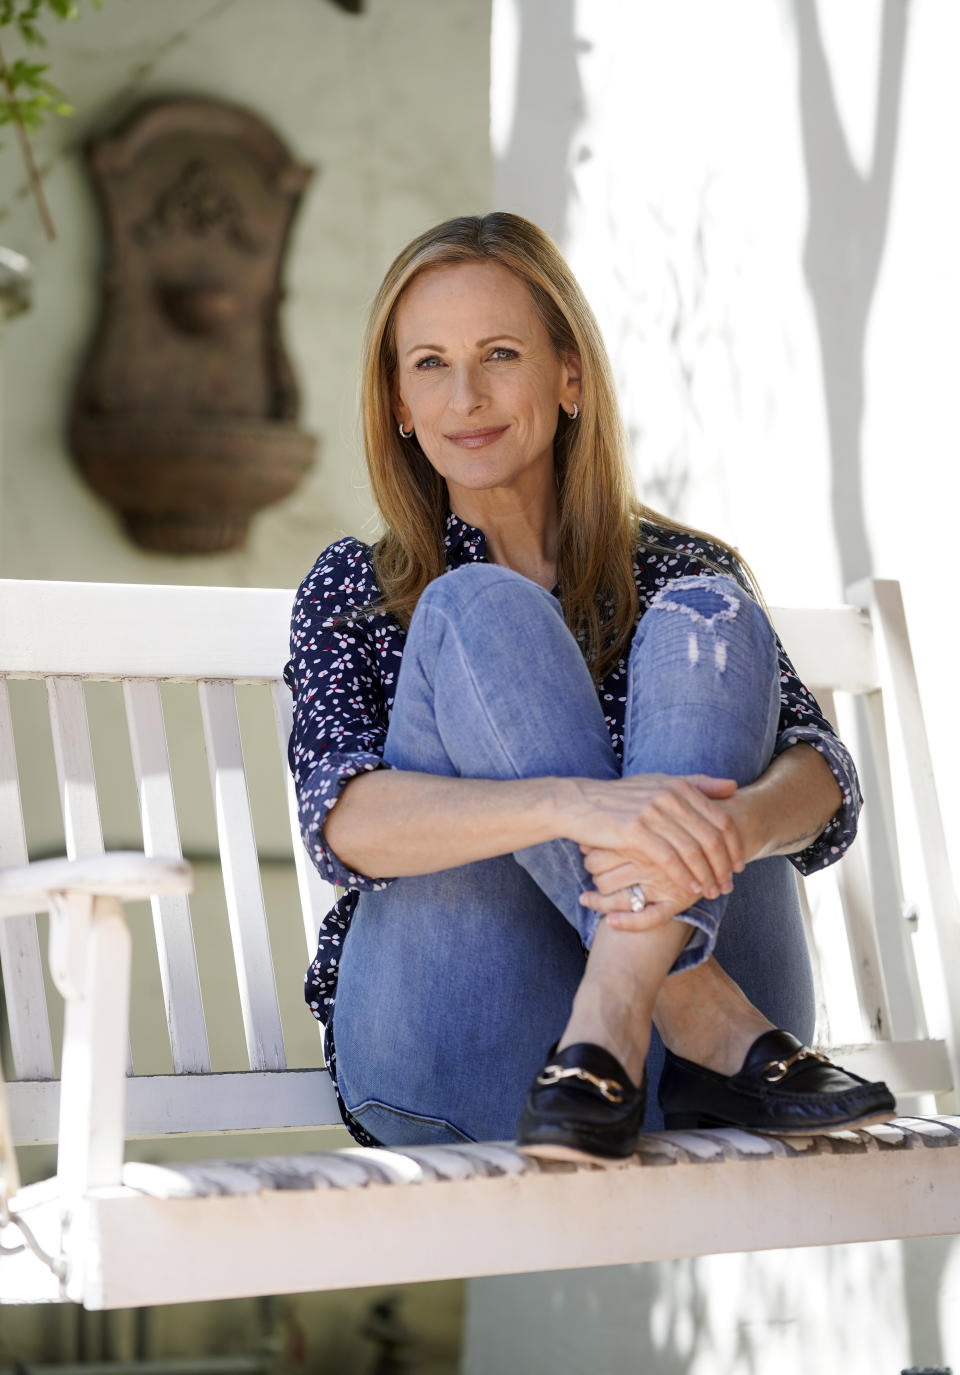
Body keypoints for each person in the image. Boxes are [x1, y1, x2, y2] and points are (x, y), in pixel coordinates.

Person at [284, 212, 894, 1162]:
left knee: (712, 610)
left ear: (569, 374)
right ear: (399, 402)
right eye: (431, 364)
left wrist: (729, 825)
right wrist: (584, 806)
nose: (467, 396)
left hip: (679, 1083)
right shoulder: (357, 587)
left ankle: (616, 1022)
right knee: (477, 608)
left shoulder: (685, 567)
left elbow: (823, 781)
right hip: (464, 1046)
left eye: (499, 354)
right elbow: (346, 823)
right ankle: (690, 1007)